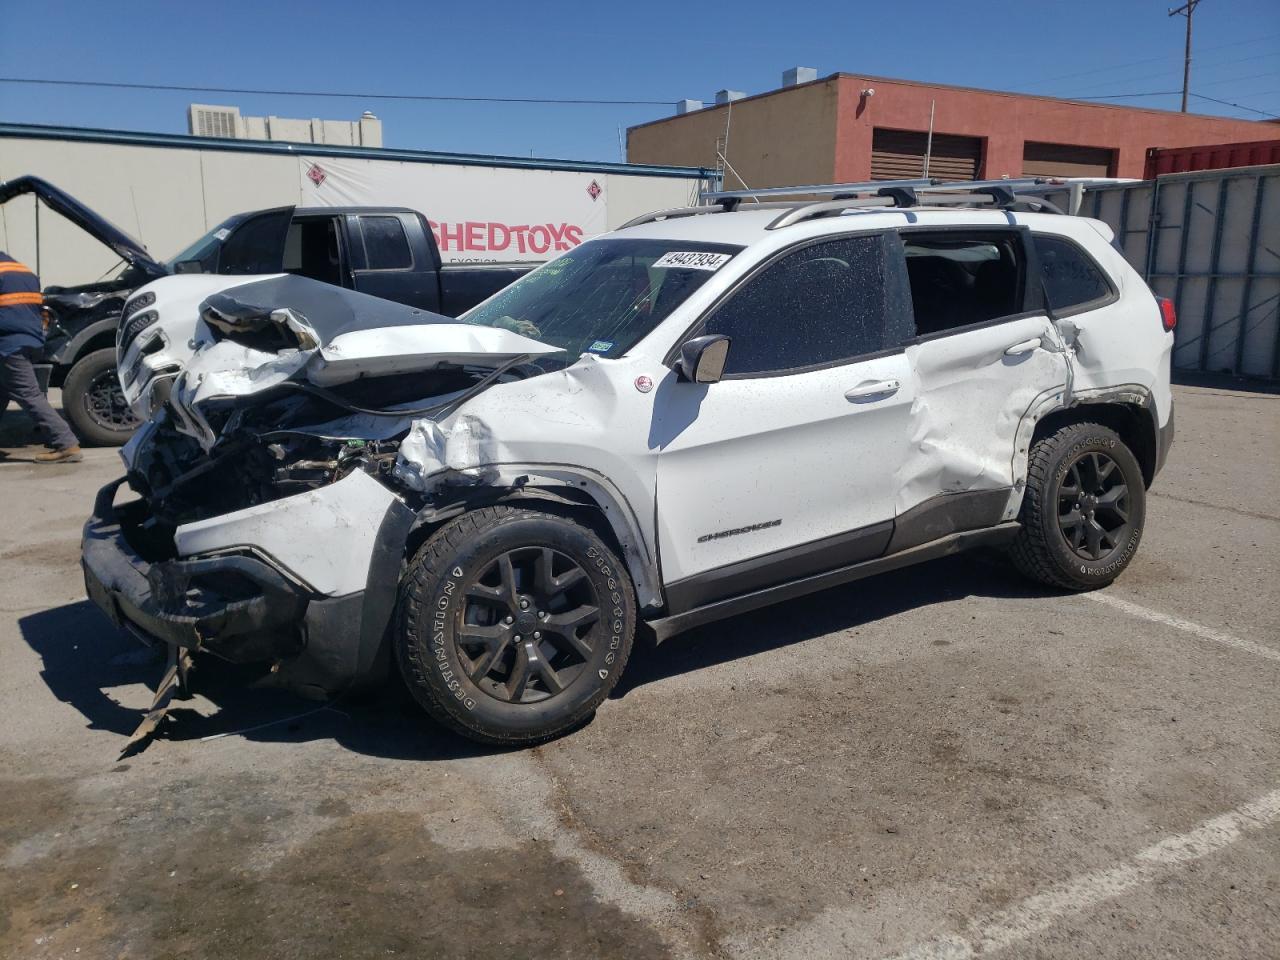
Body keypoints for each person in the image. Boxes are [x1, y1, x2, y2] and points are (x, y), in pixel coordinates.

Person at [0, 251, 82, 463]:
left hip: (9, 344)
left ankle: (66, 444)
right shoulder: (22, 270)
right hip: (31, 340)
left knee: (28, 394)